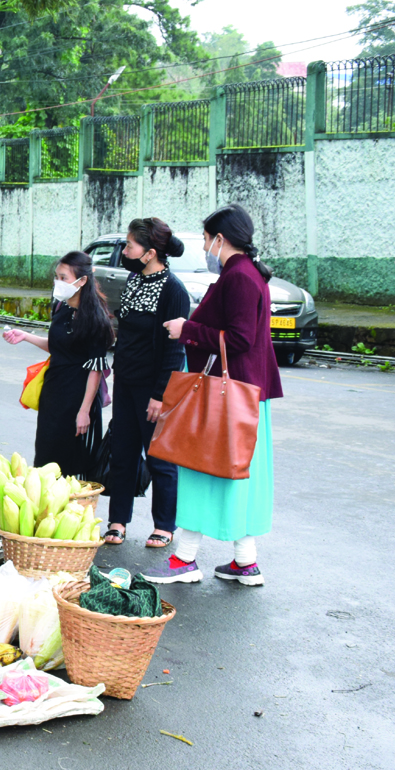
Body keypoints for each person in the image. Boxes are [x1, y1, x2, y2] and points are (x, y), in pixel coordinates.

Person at [144, 204, 282, 586]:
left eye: (206, 240)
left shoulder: (238, 277)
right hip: (244, 395)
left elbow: (239, 339)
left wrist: (186, 329)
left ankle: (185, 559)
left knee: (201, 471)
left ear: (220, 239)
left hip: (226, 396)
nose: (205, 247)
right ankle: (244, 561)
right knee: (235, 476)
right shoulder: (250, 273)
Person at [103, 218, 190, 548]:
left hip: (154, 388)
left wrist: (160, 395)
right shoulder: (135, 279)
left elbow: (173, 349)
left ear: (151, 252)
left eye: (130, 246)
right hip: (126, 381)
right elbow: (125, 331)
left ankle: (164, 525)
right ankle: (117, 521)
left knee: (159, 458)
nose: (125, 251)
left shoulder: (173, 290)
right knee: (123, 453)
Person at [3, 250, 114, 479]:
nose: (58, 282)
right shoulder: (60, 308)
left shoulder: (95, 318)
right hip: (53, 394)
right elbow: (58, 346)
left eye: (64, 277)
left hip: (78, 399)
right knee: (45, 459)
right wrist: (25, 336)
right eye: (57, 277)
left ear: (82, 280)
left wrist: (84, 411)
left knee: (72, 466)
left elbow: (96, 370)